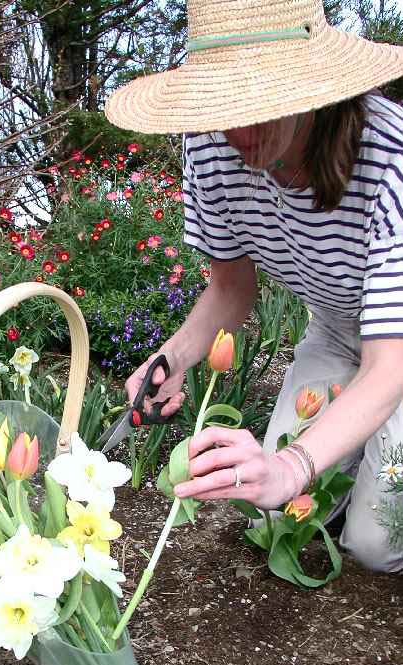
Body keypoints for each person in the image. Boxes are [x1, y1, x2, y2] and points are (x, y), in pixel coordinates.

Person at [104, 0, 403, 573]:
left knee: (373, 543)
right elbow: (231, 289)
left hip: (397, 351)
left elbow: (389, 366)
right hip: (338, 329)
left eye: (260, 106)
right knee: (272, 515)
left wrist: (292, 465)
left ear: (312, 91)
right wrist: (173, 360)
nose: (239, 131)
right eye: (224, 107)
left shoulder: (390, 164)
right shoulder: (211, 147)